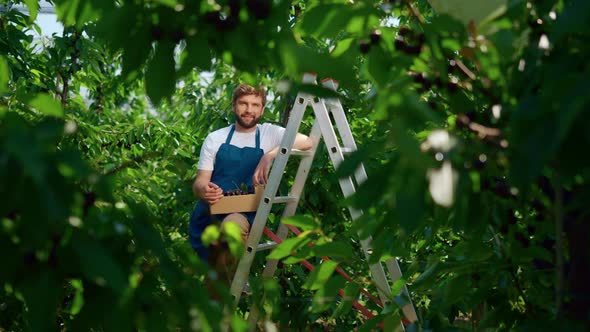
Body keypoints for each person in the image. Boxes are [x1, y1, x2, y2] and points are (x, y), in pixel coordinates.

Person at [189, 83, 312, 283]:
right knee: (215, 264)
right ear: (233, 106)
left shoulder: (268, 134)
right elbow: (200, 182)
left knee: (231, 232)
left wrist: (271, 154)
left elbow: (307, 141)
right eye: (243, 104)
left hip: (242, 211)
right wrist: (205, 190)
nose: (249, 110)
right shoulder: (215, 138)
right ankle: (225, 291)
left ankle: (219, 295)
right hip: (210, 213)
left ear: (262, 109)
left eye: (255, 105)